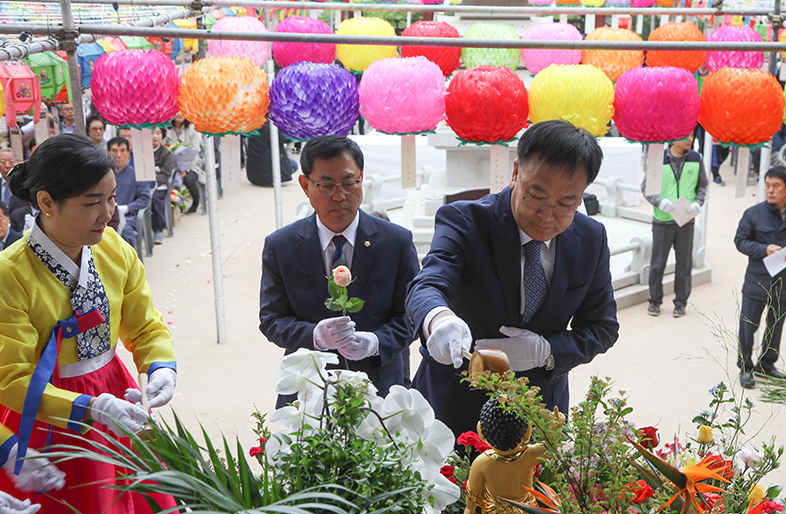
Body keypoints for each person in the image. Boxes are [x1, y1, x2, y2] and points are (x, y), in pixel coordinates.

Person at [0, 134, 177, 514]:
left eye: (112, 198)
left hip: (115, 395)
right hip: (48, 417)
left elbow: (143, 322)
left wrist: (159, 363)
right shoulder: (10, 274)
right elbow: (12, 378)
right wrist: (89, 407)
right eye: (92, 202)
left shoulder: (114, 248)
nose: (108, 214)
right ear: (46, 203)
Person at [405, 120, 619, 436]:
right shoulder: (465, 220)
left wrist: (548, 350)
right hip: (454, 405)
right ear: (516, 172)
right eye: (536, 195)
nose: (547, 216)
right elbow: (429, 282)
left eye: (565, 203)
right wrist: (439, 318)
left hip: (540, 412)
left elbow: (602, 328)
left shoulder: (590, 238)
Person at [260, 135, 419, 400]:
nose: (339, 196)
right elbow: (272, 320)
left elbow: (412, 316)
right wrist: (314, 336)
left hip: (380, 387)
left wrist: (376, 342)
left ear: (361, 179)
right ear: (305, 185)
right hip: (310, 389)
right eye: (326, 186)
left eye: (349, 183)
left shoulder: (396, 242)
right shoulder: (281, 246)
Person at [734, 166, 786, 389]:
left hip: (785, 280)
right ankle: (746, 367)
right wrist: (763, 249)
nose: (770, 190)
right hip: (757, 279)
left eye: (776, 186)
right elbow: (740, 241)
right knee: (748, 326)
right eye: (767, 185)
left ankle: (766, 364)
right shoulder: (753, 213)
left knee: (775, 325)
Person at [642, 133, 707, 317]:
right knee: (657, 264)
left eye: (692, 135)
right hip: (662, 220)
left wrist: (698, 203)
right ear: (673, 138)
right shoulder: (657, 158)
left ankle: (681, 302)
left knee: (684, 263)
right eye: (686, 136)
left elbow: (702, 186)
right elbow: (646, 187)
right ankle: (654, 300)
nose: (690, 139)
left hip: (685, 220)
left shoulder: (696, 158)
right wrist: (659, 201)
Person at [107, 136, 152, 248]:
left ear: (128, 153)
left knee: (126, 232)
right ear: (108, 152)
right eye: (114, 151)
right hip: (106, 216)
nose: (118, 155)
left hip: (128, 216)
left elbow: (145, 198)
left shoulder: (137, 174)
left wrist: (127, 208)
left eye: (122, 151)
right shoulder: (103, 175)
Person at [165, 111, 204, 215]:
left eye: (182, 111)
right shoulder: (166, 129)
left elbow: (195, 152)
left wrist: (185, 169)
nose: (179, 114)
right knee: (172, 180)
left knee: (189, 179)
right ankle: (178, 206)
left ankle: (196, 201)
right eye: (176, 111)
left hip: (191, 165)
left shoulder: (193, 130)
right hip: (172, 166)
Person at [246, 119, 297, 187]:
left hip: (253, 175)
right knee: (295, 165)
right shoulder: (272, 127)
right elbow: (287, 138)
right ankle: (276, 177)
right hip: (269, 174)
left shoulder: (253, 125)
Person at [150, 126, 174, 246]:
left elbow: (166, 173)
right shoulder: (142, 151)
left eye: (157, 133)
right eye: (151, 133)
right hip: (142, 184)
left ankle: (158, 229)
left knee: (155, 199)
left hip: (159, 184)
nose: (154, 136)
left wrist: (154, 181)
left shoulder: (166, 153)